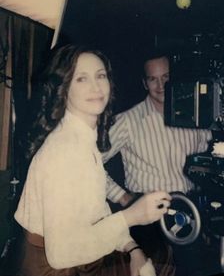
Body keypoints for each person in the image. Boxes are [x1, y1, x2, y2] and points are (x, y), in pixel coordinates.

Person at [14, 44, 173, 276]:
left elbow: (99, 214)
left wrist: (133, 249)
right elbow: (61, 255)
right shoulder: (64, 150)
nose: (96, 87)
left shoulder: (82, 137)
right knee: (164, 262)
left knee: (159, 256)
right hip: (51, 268)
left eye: (100, 76)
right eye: (81, 79)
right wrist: (133, 215)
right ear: (63, 88)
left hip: (77, 258)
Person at [102, 49, 212, 275]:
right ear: (144, 82)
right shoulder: (127, 121)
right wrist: (121, 196)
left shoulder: (196, 116)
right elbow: (89, 164)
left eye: (166, 77)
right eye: (153, 79)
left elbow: (209, 160)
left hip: (192, 212)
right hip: (148, 222)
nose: (160, 85)